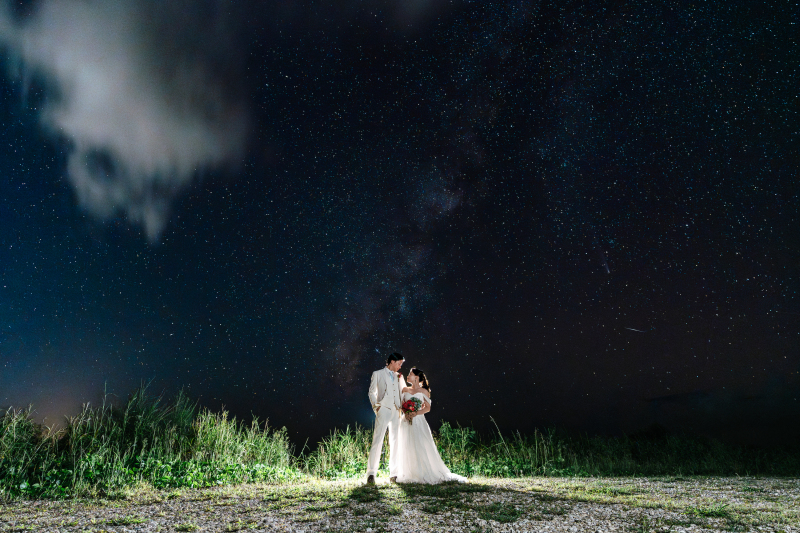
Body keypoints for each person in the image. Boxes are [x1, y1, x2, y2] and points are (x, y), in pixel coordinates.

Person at [394, 367, 466, 484]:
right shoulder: (404, 390)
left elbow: (427, 408)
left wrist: (415, 413)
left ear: (416, 378)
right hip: (406, 420)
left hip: (418, 421)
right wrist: (406, 413)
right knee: (407, 443)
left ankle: (422, 472)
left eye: (410, 374)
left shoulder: (424, 391)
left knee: (420, 444)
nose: (407, 376)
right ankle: (409, 472)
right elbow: (402, 405)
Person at [366, 352, 406, 484]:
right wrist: (376, 407)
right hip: (383, 409)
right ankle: (371, 473)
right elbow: (372, 392)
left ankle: (394, 474)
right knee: (377, 440)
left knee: (395, 442)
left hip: (396, 411)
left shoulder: (400, 376)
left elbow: (403, 392)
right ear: (392, 362)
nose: (400, 366)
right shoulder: (377, 374)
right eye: (399, 363)